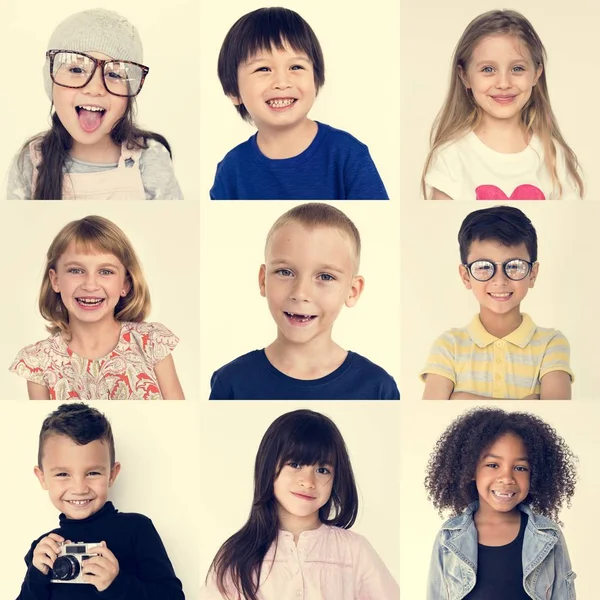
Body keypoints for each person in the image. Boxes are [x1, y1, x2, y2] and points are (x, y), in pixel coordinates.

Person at [201, 409, 399, 599]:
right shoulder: (236, 553)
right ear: (269, 467)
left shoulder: (354, 550)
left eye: (322, 470)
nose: (308, 481)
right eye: (295, 465)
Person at [209, 202, 399, 399]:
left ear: (352, 291)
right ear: (263, 280)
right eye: (285, 272)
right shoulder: (232, 381)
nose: (300, 293)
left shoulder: (378, 388)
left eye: (325, 277)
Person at [210, 7, 388, 200]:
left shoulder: (348, 154)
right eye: (263, 69)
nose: (282, 82)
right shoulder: (230, 169)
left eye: (296, 67)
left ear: (316, 79)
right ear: (233, 92)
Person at [6, 8, 183, 200]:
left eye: (114, 74)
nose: (95, 87)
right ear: (51, 81)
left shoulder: (150, 158)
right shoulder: (31, 163)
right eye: (76, 69)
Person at [17, 402, 185, 599]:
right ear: (42, 477)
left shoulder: (137, 529)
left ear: (112, 474)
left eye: (93, 473)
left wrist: (116, 584)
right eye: (63, 474)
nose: (79, 488)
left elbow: (173, 596)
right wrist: (36, 576)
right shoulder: (44, 549)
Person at [9, 215, 184, 400]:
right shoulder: (38, 361)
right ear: (55, 280)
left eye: (105, 272)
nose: (90, 285)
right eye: (76, 271)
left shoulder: (151, 342)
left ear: (125, 284)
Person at [421, 10, 583, 200]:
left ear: (536, 73)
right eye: (488, 69)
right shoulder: (450, 156)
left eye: (517, 68)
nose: (504, 83)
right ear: (464, 76)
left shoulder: (555, 156)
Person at [421, 205, 572, 399]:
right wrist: (529, 402)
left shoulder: (551, 343)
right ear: (466, 276)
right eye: (484, 266)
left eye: (515, 266)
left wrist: (461, 398)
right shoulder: (449, 346)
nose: (500, 280)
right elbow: (434, 412)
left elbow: (555, 411)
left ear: (532, 274)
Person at [425, 407, 577, 599]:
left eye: (520, 468)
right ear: (471, 470)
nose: (507, 478)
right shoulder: (448, 537)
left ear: (535, 474)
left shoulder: (549, 536)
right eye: (493, 465)